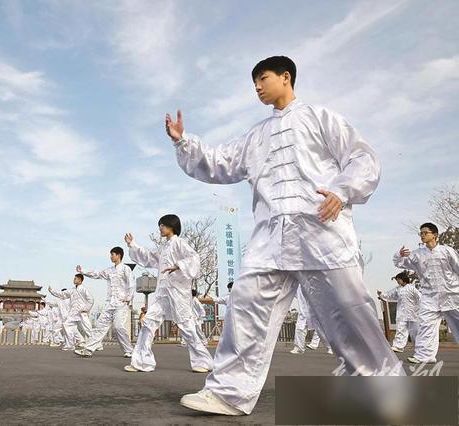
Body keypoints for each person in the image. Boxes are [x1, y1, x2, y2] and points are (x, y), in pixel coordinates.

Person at [168, 56, 404, 415]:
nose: (257, 87)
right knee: (245, 305)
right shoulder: (256, 135)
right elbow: (219, 162)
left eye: (262, 78)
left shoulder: (319, 118)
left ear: (285, 77)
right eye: (254, 82)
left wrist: (342, 191)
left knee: (349, 312)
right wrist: (184, 143)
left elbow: (362, 158)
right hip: (270, 238)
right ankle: (229, 393)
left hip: (320, 231)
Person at [122, 214, 214, 373]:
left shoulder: (179, 243)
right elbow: (149, 257)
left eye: (163, 225)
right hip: (162, 292)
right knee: (148, 322)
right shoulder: (163, 247)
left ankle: (203, 362)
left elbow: (194, 258)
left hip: (177, 292)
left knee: (187, 327)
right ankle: (142, 362)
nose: (160, 228)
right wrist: (133, 245)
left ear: (172, 226)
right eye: (160, 225)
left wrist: (178, 266)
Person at [393, 222, 459, 364]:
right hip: (430, 297)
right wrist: (399, 255)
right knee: (425, 325)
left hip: (451, 294)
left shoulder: (447, 251)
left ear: (434, 235)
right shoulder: (417, 254)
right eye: (421, 233)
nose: (422, 235)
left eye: (425, 233)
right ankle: (424, 355)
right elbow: (399, 263)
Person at [74, 247, 135, 358]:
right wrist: (83, 271)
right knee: (100, 326)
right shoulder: (110, 270)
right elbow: (97, 273)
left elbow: (131, 283)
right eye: (111, 254)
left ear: (119, 255)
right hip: (109, 304)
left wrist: (129, 297)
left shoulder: (125, 269)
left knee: (118, 327)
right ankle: (88, 349)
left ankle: (129, 350)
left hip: (121, 304)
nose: (111, 257)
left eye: (112, 254)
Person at [377, 271, 420, 353]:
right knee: (400, 329)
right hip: (402, 313)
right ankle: (398, 346)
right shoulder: (397, 289)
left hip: (413, 313)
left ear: (403, 279)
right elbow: (389, 294)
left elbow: (420, 298)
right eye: (397, 280)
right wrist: (381, 294)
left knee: (415, 331)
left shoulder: (412, 288)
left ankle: (419, 347)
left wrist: (420, 309)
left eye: (398, 279)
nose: (397, 281)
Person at [50, 273, 94, 351]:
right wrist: (52, 291)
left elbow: (91, 299)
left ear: (80, 280)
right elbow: (62, 294)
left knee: (87, 328)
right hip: (73, 313)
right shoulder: (72, 290)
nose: (74, 280)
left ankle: (95, 344)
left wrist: (86, 309)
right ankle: (70, 345)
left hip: (82, 312)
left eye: (75, 278)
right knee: (66, 325)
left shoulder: (83, 289)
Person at [290, 287, 332, 355]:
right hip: (303, 312)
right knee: (299, 328)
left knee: (320, 331)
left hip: (315, 311)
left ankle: (330, 347)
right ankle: (299, 348)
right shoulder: (298, 287)